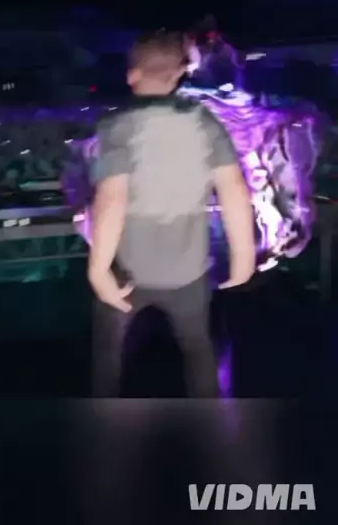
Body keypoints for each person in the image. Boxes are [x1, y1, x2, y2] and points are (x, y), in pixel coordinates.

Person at [88, 31, 256, 396]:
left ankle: (104, 417)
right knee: (198, 349)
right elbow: (234, 189)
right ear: (179, 74)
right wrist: (244, 256)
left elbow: (112, 198)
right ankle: (210, 420)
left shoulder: (117, 126)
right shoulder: (205, 122)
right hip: (188, 272)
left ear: (132, 74)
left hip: (129, 271)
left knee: (108, 354)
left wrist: (98, 269)